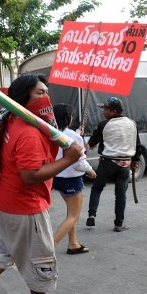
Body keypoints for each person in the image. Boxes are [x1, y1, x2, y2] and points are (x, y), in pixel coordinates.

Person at [0, 74, 83, 294]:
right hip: (24, 205)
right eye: (40, 93)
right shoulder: (29, 132)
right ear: (24, 98)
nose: (46, 98)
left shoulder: (12, 118)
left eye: (46, 92)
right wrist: (68, 160)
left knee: (6, 246)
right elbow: (30, 176)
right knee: (41, 256)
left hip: (4, 200)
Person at [85, 97, 141, 231]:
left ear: (114, 111)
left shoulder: (104, 124)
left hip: (107, 163)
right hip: (124, 164)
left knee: (97, 188)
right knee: (120, 194)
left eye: (106, 109)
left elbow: (92, 142)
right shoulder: (132, 123)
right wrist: (135, 161)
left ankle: (92, 215)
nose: (104, 112)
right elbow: (137, 145)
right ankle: (118, 224)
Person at [52, 104, 96, 254]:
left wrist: (78, 134)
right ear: (68, 118)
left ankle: (73, 243)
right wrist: (90, 171)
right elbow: (79, 162)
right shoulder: (72, 136)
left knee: (70, 212)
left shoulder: (52, 133)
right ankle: (48, 249)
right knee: (74, 215)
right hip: (71, 179)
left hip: (57, 177)